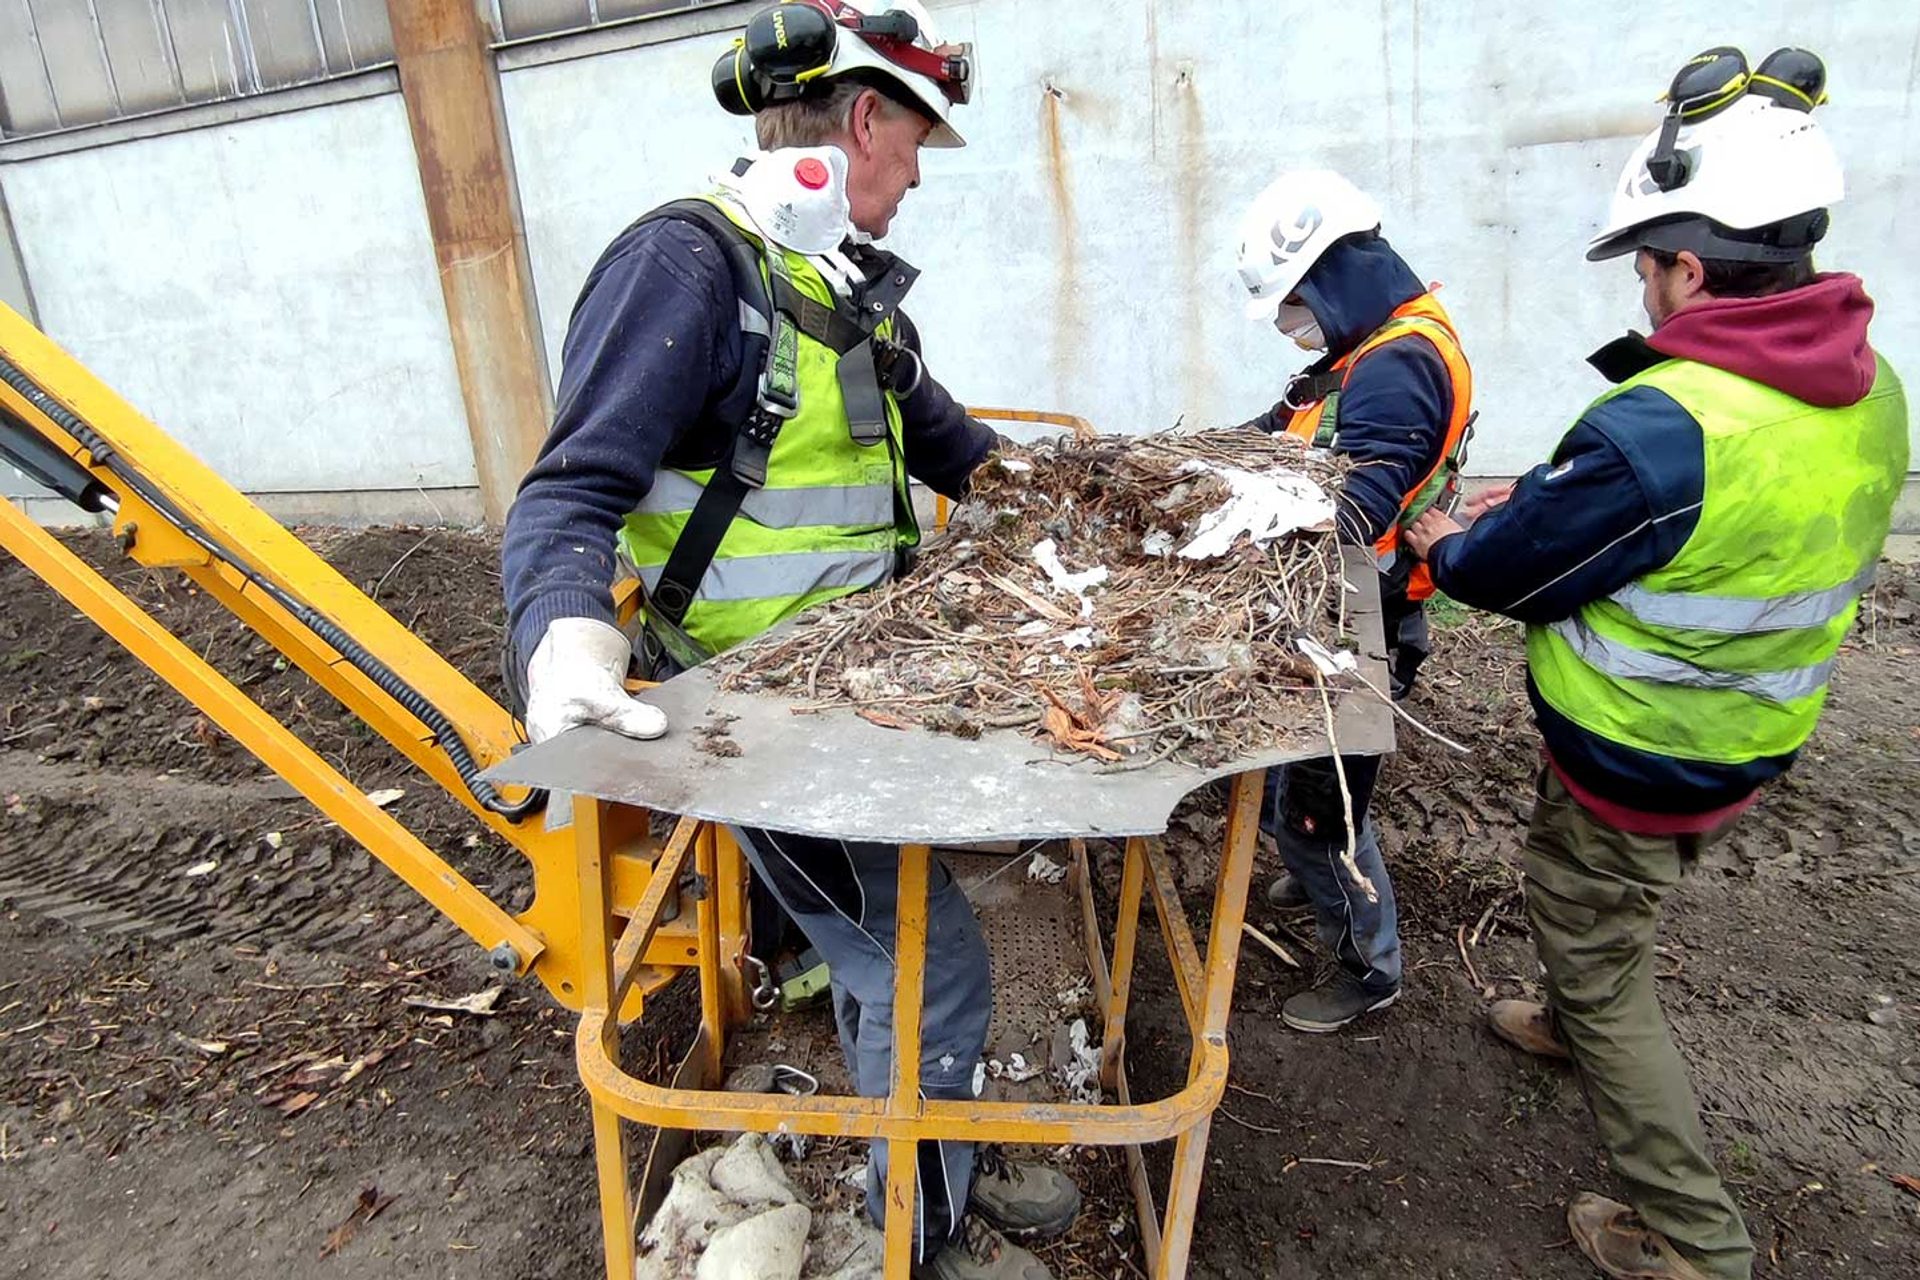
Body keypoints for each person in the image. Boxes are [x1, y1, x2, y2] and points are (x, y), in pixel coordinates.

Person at [499, 4, 1076, 1276]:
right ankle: (913, 1236)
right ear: (864, 119)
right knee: (932, 968)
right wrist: (563, 639)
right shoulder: (689, 268)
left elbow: (959, 450)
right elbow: (569, 491)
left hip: (857, 709)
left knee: (903, 954)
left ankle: (930, 1163)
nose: (917, 176)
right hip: (759, 730)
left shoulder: (838, 291)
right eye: (917, 143)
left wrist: (1093, 507)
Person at [1403, 46, 1908, 1280]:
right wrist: (1578, 503)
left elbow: (1503, 575)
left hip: (1636, 747)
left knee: (1598, 940)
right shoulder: (1871, 387)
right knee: (1586, 901)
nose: (1642, 294)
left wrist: (1454, 536)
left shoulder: (1667, 425)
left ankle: (1693, 1235)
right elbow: (1700, 534)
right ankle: (1574, 1014)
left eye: (1645, 267)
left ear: (1690, 264)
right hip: (1744, 731)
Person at [1230, 170, 1475, 1032]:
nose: (1295, 324)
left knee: (1317, 803)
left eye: (1296, 301)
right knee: (1297, 785)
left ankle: (1370, 968)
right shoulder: (1358, 357)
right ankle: (1314, 862)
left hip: (1358, 627)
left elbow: (1361, 502)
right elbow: (1272, 436)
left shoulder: (1399, 366)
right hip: (1328, 615)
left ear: (1334, 274)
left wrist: (1234, 538)